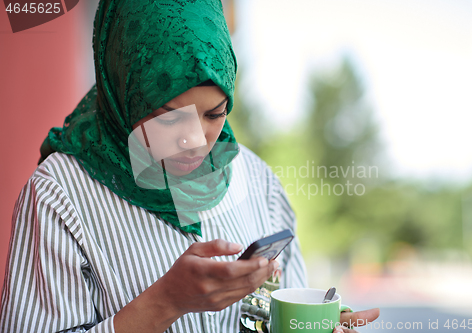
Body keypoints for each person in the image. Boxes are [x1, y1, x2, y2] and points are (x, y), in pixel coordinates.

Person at [0, 0, 379, 332]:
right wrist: (166, 303)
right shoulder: (59, 195)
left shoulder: (258, 181)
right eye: (169, 118)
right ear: (123, 90)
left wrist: (311, 326)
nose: (196, 140)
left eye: (215, 114)